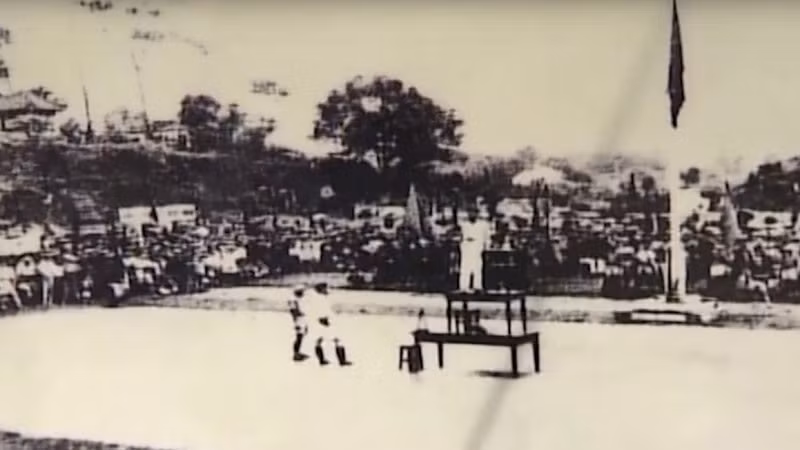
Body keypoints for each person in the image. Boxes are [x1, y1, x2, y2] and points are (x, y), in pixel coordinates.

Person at [307, 282, 352, 366]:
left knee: (319, 340)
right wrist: (326, 321)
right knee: (338, 340)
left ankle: (322, 360)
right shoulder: (321, 299)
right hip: (325, 321)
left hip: (319, 322)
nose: (327, 290)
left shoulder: (317, 298)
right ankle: (342, 361)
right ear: (322, 289)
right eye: (325, 288)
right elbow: (324, 311)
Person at [288, 285, 309, 362]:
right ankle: (296, 354)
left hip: (302, 319)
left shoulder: (298, 299)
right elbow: (293, 311)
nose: (303, 293)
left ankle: (298, 352)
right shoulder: (293, 300)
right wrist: (296, 320)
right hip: (299, 319)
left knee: (301, 336)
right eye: (302, 291)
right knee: (299, 337)